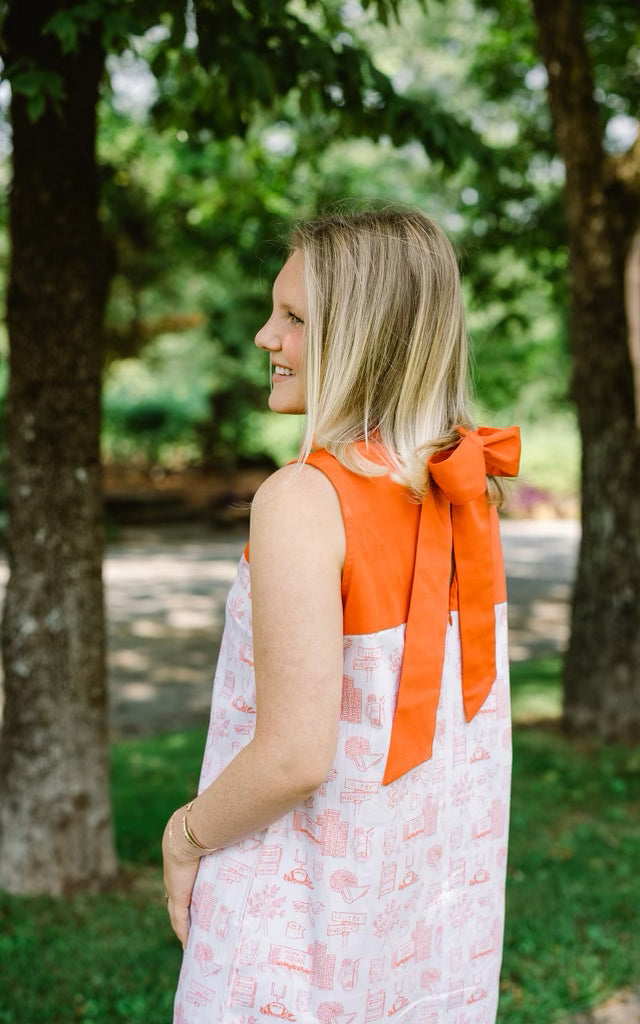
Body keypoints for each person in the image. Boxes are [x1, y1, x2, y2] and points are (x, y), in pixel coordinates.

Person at [162, 207, 521, 1024]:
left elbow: (293, 755)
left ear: (365, 338)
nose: (264, 337)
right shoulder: (462, 493)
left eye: (293, 318)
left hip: (300, 915)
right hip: (421, 920)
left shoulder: (302, 500)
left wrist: (183, 838)